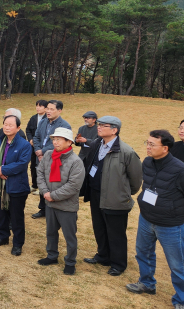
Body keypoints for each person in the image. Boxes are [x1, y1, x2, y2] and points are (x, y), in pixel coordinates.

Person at [127, 130, 184, 304]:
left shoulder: (180, 169)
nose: (148, 147)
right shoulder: (147, 162)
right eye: (147, 142)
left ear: (165, 148)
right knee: (143, 253)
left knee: (177, 265)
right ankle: (146, 283)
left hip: (170, 225)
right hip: (146, 218)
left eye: (152, 144)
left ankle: (181, 299)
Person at [81, 116, 142, 276]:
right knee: (99, 226)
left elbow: (135, 180)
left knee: (115, 232)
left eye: (103, 125)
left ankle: (118, 263)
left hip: (116, 198)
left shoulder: (126, 151)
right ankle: (103, 256)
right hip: (95, 194)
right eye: (99, 125)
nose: (99, 127)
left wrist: (123, 193)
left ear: (114, 130)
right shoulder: (96, 144)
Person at [36, 128, 85, 275]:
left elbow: (73, 186)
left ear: (69, 142)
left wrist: (53, 195)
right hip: (50, 202)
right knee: (50, 232)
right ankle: (52, 255)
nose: (55, 142)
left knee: (69, 236)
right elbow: (40, 173)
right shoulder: (49, 155)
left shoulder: (76, 162)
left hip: (66, 206)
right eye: (54, 139)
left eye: (59, 139)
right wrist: (45, 192)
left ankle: (70, 262)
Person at [0, 115, 31, 255]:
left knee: (16, 216)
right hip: (1, 184)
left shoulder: (24, 145)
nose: (6, 127)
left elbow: (22, 164)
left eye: (10, 125)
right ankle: (3, 237)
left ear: (18, 128)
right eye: (5, 124)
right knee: (2, 212)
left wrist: (4, 170)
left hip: (17, 186)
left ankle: (18, 243)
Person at [31, 100, 71, 219]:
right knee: (41, 181)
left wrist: (43, 152)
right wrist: (38, 151)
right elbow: (36, 137)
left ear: (59, 111)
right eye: (47, 108)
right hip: (40, 157)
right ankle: (42, 208)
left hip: (54, 158)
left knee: (53, 184)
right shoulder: (43, 122)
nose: (48, 111)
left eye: (51, 109)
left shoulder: (64, 125)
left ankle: (52, 209)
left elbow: (60, 142)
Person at [25, 100, 48, 195]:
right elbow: (28, 130)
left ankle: (42, 187)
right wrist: (30, 140)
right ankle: (34, 185)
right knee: (33, 165)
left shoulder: (48, 119)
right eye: (37, 105)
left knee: (42, 167)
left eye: (40, 106)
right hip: (33, 146)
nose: (38, 107)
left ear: (46, 108)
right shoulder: (33, 118)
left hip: (44, 147)